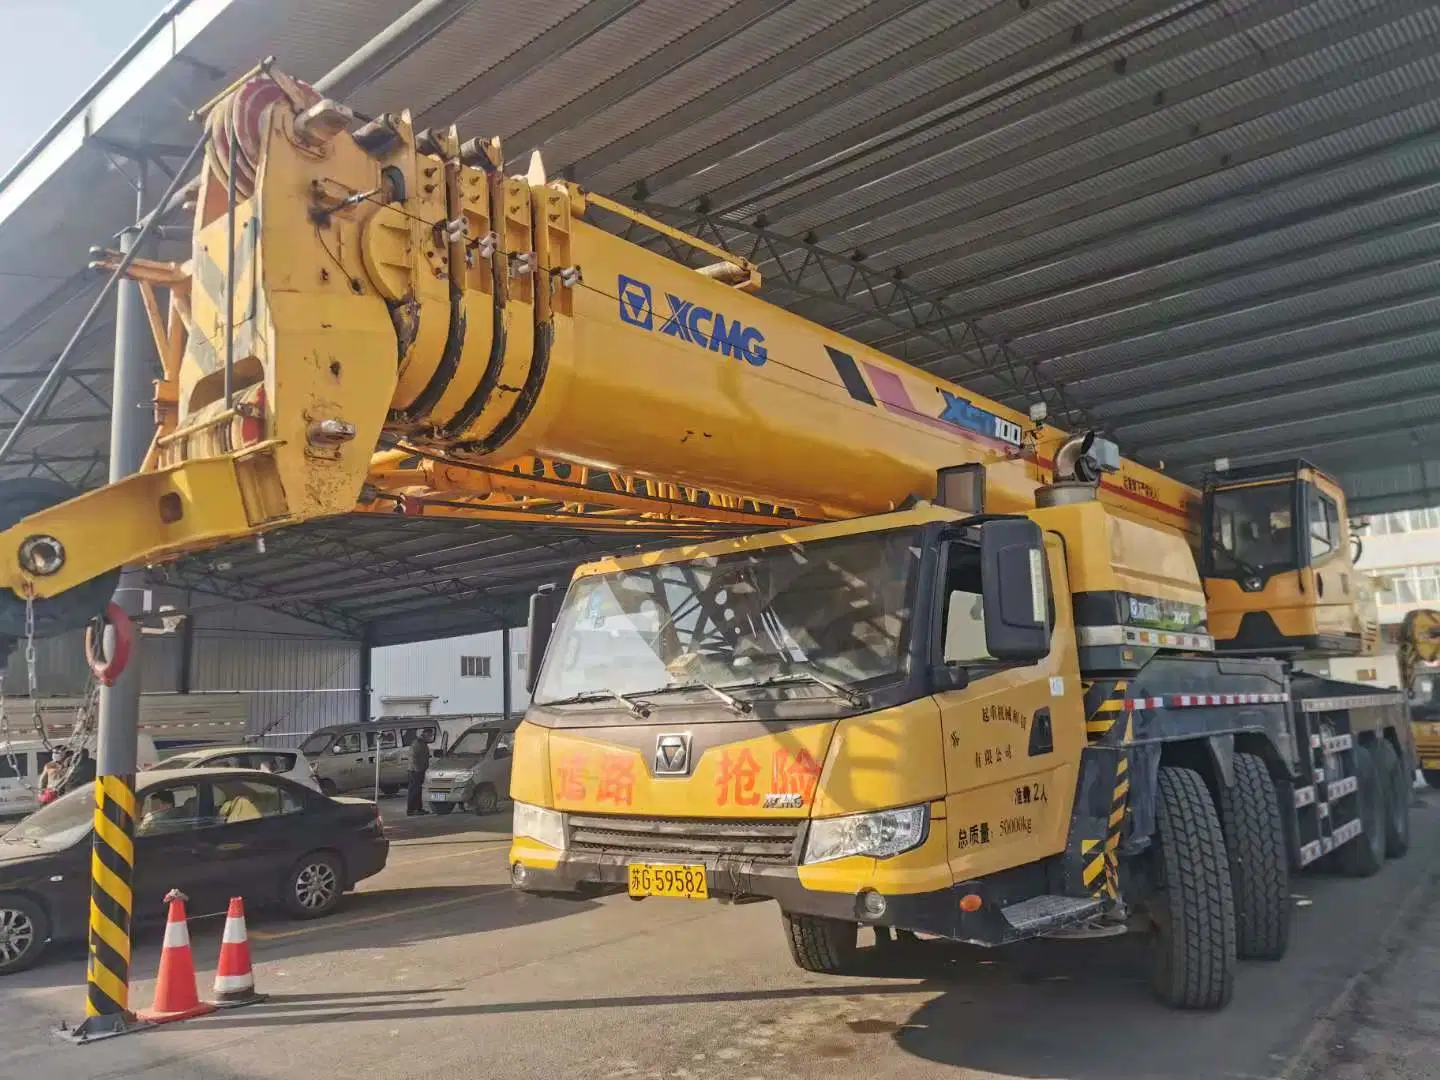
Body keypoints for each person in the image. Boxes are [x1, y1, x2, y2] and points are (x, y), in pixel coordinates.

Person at [406, 731, 431, 817]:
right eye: (429, 735)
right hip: (415, 771)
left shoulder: (423, 743)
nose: (430, 737)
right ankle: (411, 810)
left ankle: (418, 808)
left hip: (420, 770)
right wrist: (417, 769)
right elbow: (413, 757)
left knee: (418, 790)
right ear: (424, 735)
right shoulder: (417, 743)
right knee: (414, 791)